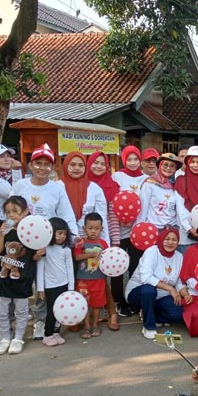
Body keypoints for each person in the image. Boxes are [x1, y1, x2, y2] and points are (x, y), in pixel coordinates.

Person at [8, 144, 77, 342]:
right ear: (31, 165)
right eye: (38, 163)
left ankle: (41, 320)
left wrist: (73, 237)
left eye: (47, 164)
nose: (42, 168)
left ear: (52, 167)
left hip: (48, 245)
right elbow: (12, 209)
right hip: (23, 242)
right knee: (19, 280)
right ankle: (12, 324)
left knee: (43, 284)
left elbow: (66, 214)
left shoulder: (57, 188)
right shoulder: (21, 185)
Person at [0, 196, 42, 355]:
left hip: (23, 278)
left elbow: (35, 255)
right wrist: (1, 234)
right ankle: (5, 337)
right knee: (0, 310)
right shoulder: (6, 231)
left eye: (15, 211)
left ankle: (18, 338)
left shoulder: (32, 232)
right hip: (2, 278)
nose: (12, 215)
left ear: (26, 211)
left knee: (21, 311)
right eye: (8, 212)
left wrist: (40, 253)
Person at [126, 227, 191, 339]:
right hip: (139, 292)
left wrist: (186, 294)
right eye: (167, 239)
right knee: (149, 290)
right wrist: (171, 289)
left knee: (177, 313)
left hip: (162, 297)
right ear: (161, 239)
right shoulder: (152, 251)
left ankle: (149, 313)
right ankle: (149, 327)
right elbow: (146, 278)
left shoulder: (179, 257)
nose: (170, 242)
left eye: (174, 240)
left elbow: (179, 282)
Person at [87, 151, 122, 330]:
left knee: (102, 280)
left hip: (103, 239)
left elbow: (113, 218)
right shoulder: (81, 184)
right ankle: (87, 316)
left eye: (103, 163)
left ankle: (111, 312)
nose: (99, 166)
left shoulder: (112, 186)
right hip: (83, 239)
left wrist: (114, 242)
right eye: (95, 162)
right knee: (85, 277)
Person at [111, 145, 147, 315]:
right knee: (118, 268)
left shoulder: (146, 179)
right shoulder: (117, 176)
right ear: (124, 160)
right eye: (129, 159)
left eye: (136, 159)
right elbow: (114, 201)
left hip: (138, 232)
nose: (133, 163)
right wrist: (122, 218)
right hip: (119, 230)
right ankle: (119, 301)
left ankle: (134, 299)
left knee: (135, 267)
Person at [36, 217, 74, 347]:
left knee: (61, 310)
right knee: (51, 311)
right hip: (50, 286)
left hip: (63, 284)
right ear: (51, 233)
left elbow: (70, 268)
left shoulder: (67, 250)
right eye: (59, 233)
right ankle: (47, 335)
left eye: (64, 234)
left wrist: (71, 287)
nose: (62, 236)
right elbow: (40, 269)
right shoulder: (44, 249)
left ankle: (56, 331)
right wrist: (40, 288)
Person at [73, 212, 109, 339]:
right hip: (83, 279)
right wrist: (91, 255)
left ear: (101, 229)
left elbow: (108, 260)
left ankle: (95, 325)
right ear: (84, 229)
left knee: (97, 303)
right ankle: (87, 326)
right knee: (84, 303)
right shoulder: (80, 243)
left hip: (99, 279)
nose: (93, 231)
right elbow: (77, 257)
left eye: (97, 228)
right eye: (90, 228)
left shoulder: (104, 244)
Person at [139, 153, 184, 230]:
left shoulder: (176, 186)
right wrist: (140, 227)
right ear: (159, 166)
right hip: (152, 228)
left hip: (171, 230)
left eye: (172, 166)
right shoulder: (149, 184)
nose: (168, 168)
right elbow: (143, 209)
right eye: (165, 165)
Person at [0, 144, 23, 223]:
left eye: (8, 156)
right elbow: (16, 197)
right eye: (1, 157)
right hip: (1, 222)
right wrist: (17, 170)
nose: (7, 159)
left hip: (11, 220)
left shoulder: (8, 175)